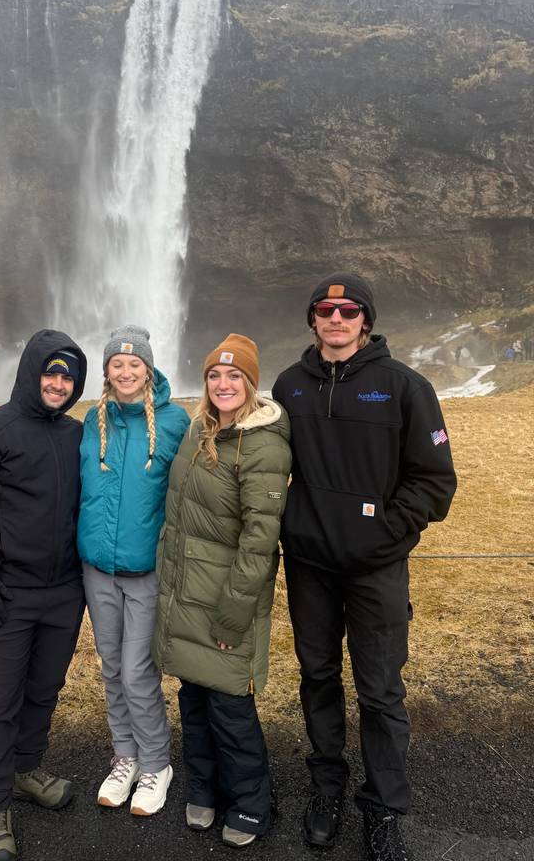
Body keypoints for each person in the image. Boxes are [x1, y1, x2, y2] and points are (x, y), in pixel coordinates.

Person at [272, 273, 457, 861]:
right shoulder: (289, 386)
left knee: (380, 693)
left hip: (376, 569)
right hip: (308, 567)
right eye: (325, 309)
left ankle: (384, 810)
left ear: (365, 320)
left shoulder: (405, 386)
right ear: (312, 319)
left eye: (348, 310)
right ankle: (327, 789)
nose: (336, 317)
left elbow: (434, 480)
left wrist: (386, 531)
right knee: (318, 679)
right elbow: (264, 464)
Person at [0, 331, 87, 861]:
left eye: (68, 375)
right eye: (50, 372)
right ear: (31, 373)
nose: (58, 383)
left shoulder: (78, 435)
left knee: (44, 690)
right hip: (6, 593)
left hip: (65, 592)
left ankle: (27, 768)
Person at [152, 334, 291, 848]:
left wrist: (235, 610)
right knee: (193, 699)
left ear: (252, 384)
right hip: (185, 594)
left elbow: (261, 536)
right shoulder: (197, 429)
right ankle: (205, 790)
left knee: (232, 707)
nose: (224, 384)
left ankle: (252, 804)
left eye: (236, 376)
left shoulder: (263, 442)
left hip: (226, 598)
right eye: (215, 375)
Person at [77, 325, 190, 816]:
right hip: (97, 569)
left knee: (137, 671)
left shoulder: (174, 421)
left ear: (149, 368)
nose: (126, 371)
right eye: (117, 364)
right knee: (110, 668)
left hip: (145, 571)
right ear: (107, 371)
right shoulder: (91, 419)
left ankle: (156, 764)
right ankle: (125, 755)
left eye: (135, 364)